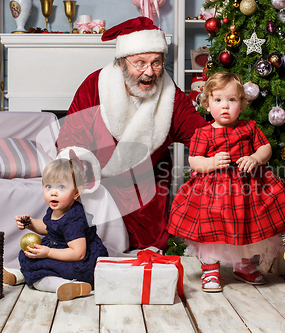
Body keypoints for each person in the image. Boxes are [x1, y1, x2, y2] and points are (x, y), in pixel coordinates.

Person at [56, 16, 208, 252]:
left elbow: (200, 134)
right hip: (100, 186)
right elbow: (71, 137)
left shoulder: (170, 94)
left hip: (147, 191)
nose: (149, 72)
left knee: (148, 254)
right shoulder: (95, 85)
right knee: (90, 247)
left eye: (157, 63)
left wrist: (234, 146)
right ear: (121, 63)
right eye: (140, 63)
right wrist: (80, 175)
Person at [167, 72, 285, 292]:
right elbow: (194, 161)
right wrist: (211, 162)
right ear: (208, 105)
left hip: (248, 190)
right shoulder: (203, 133)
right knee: (212, 228)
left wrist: (255, 158)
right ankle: (210, 269)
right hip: (214, 192)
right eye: (218, 100)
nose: (225, 106)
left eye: (232, 100)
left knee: (250, 225)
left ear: (242, 104)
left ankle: (245, 266)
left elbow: (265, 148)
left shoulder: (249, 128)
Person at [3, 155, 109, 301]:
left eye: (61, 187)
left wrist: (48, 252)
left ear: (76, 192)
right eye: (48, 186)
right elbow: (49, 228)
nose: (53, 192)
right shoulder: (56, 209)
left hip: (80, 263)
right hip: (59, 249)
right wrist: (30, 223)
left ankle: (65, 285)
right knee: (27, 255)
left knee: (42, 267)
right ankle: (23, 275)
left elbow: (78, 253)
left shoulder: (74, 219)